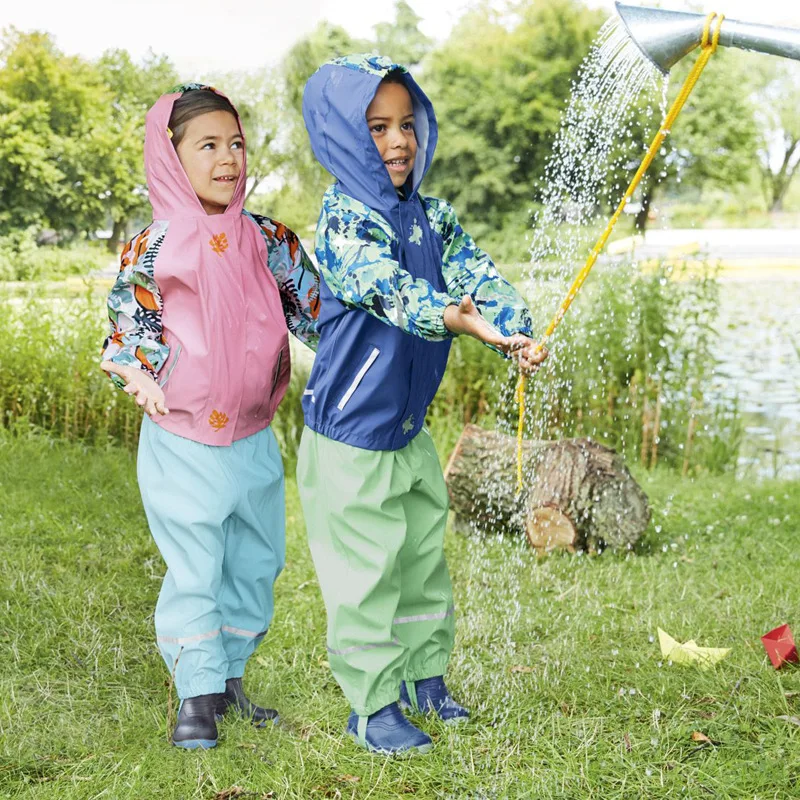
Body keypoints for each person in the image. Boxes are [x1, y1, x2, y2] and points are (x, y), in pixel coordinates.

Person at [298, 55, 547, 755]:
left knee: (418, 560)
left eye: (407, 124)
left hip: (406, 432)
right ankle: (373, 706)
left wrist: (513, 331)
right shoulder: (346, 222)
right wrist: (453, 316)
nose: (399, 141)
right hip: (350, 438)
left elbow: (478, 277)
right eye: (377, 128)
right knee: (366, 574)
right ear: (343, 137)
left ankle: (424, 677)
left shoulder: (432, 216)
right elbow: (391, 291)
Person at [100, 83, 319, 750]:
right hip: (182, 439)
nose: (228, 158)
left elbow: (318, 312)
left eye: (236, 143)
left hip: (254, 437)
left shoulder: (267, 237)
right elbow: (132, 321)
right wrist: (136, 369)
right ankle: (196, 696)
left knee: (254, 563)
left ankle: (228, 681)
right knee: (196, 566)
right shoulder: (156, 246)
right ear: (171, 157)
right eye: (208, 145)